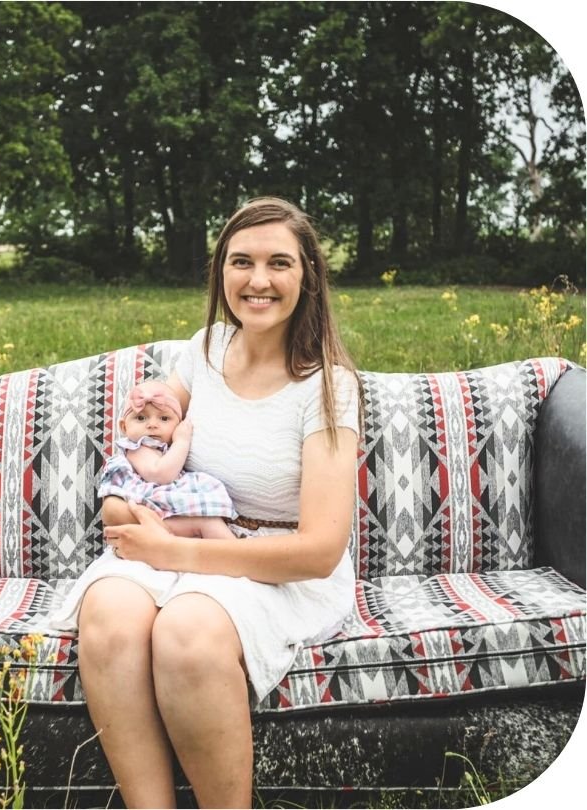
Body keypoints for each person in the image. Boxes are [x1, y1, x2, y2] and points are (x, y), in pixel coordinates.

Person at [48, 197, 361, 809]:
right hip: (187, 536)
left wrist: (169, 551)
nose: (259, 280)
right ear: (221, 272)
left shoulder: (327, 386)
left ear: (308, 277)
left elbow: (321, 552)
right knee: (110, 614)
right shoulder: (205, 348)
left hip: (277, 565)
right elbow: (153, 434)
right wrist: (129, 486)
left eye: (279, 263)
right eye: (241, 262)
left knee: (187, 631)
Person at [98, 380, 238, 540]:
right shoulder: (136, 448)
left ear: (177, 425)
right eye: (141, 418)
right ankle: (238, 556)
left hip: (163, 512)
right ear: (124, 427)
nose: (152, 424)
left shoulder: (161, 450)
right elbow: (160, 474)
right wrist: (181, 442)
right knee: (206, 524)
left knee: (210, 523)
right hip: (151, 515)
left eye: (164, 419)